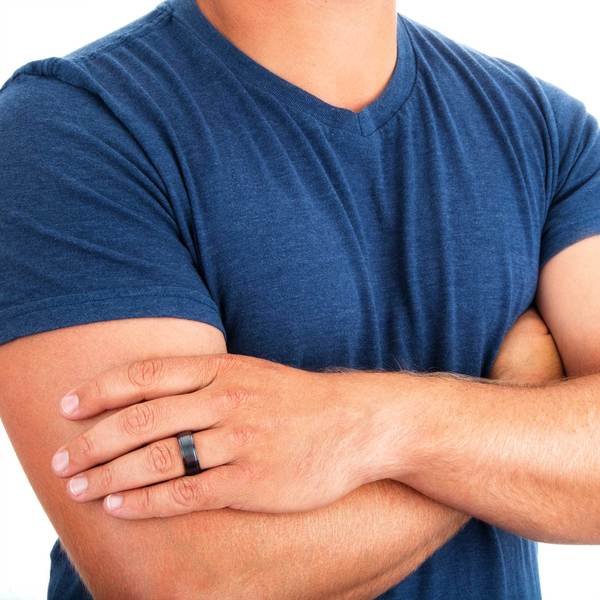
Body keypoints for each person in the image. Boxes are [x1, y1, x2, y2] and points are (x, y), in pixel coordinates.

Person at [0, 0, 599, 598]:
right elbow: (189, 578)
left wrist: (374, 425)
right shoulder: (67, 128)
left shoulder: (546, 129)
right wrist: (514, 405)